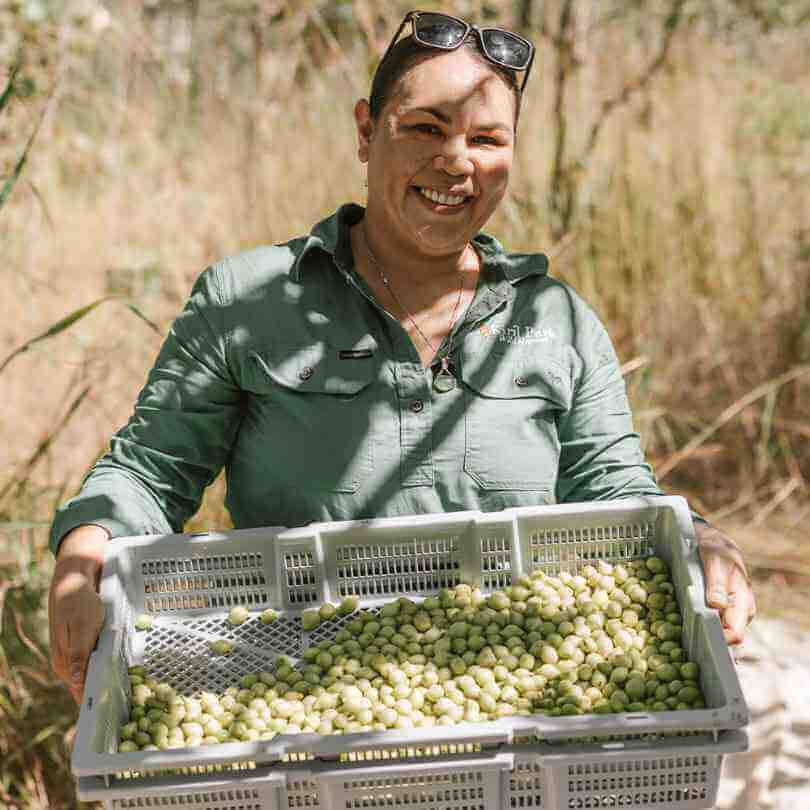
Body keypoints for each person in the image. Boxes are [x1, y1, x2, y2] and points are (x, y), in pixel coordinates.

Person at [48, 10, 756, 706]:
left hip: (517, 697)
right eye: (425, 128)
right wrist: (85, 554)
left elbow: (616, 492)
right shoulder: (249, 301)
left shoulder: (556, 322)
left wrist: (699, 537)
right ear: (365, 130)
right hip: (295, 697)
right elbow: (150, 470)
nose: (456, 162)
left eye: (487, 138)